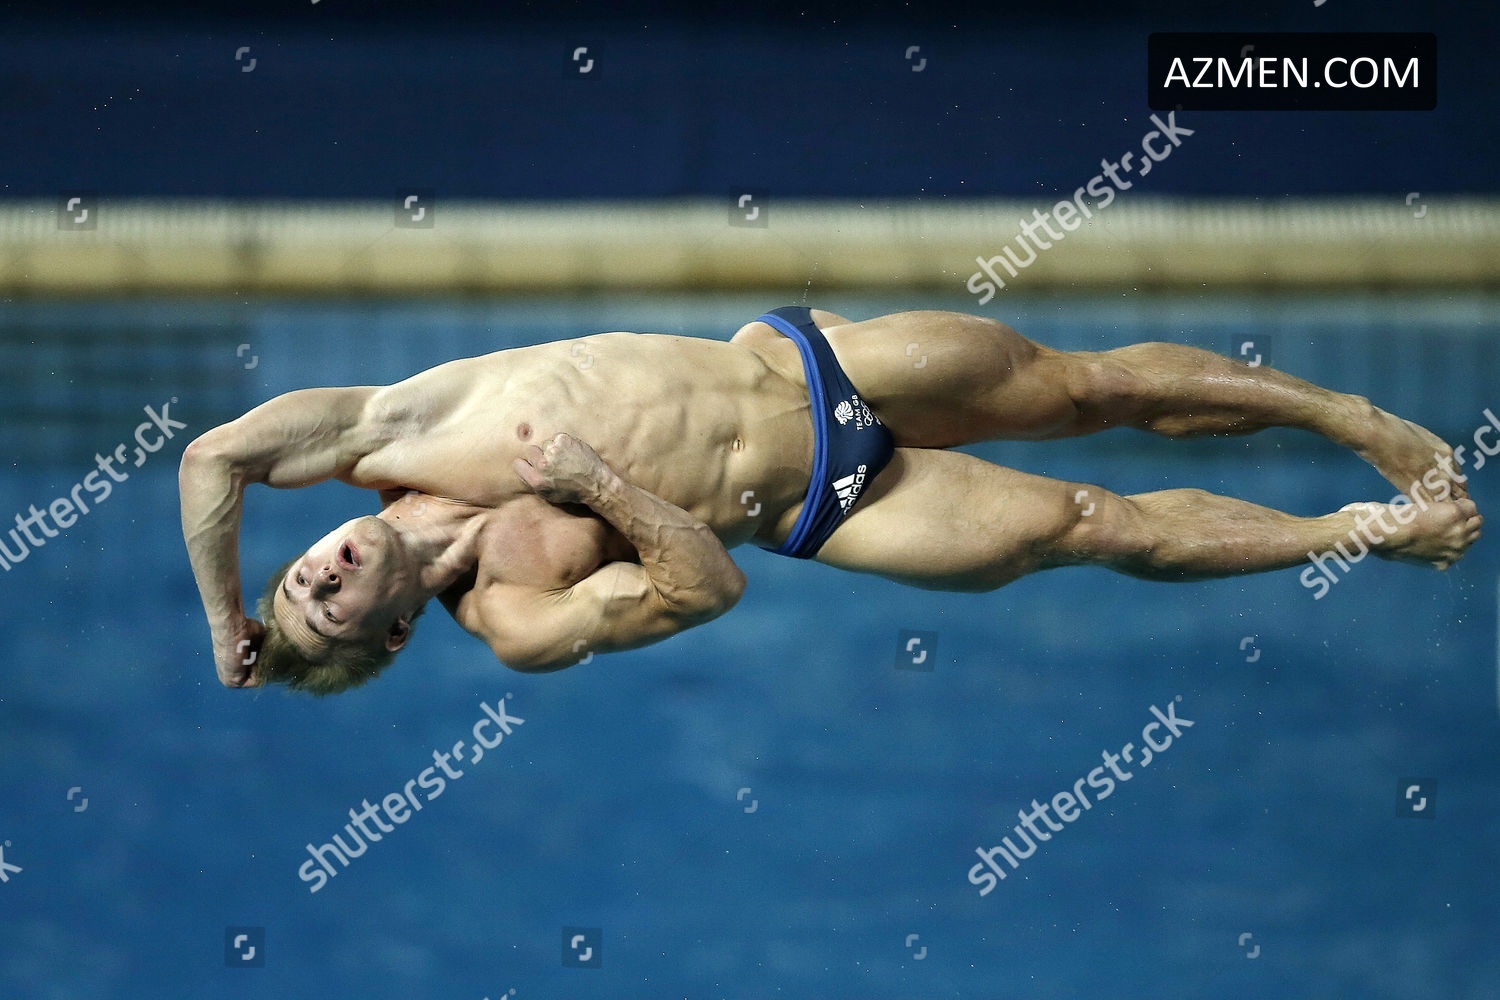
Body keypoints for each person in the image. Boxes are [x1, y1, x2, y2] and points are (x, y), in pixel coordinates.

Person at [179, 306, 1482, 694]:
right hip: (828, 508)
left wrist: (228, 619)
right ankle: (1365, 530)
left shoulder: (386, 432)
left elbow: (210, 461)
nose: (322, 576)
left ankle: (1350, 417)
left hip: (808, 370)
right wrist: (599, 489)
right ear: (394, 634)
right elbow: (709, 589)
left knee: (1090, 388)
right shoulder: (513, 614)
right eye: (330, 611)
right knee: (1091, 527)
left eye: (301, 575)